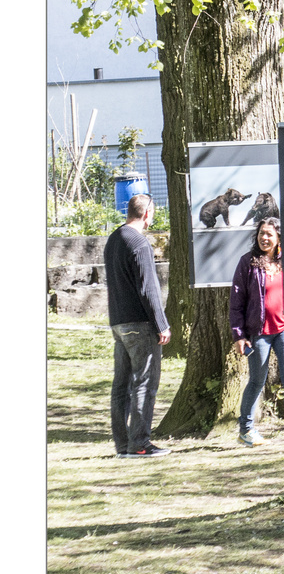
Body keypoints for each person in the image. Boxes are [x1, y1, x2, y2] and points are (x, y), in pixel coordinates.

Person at [105, 193, 171, 458]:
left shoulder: (114, 239)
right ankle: (140, 444)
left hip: (118, 323)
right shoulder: (140, 243)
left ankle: (122, 445)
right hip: (140, 324)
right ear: (147, 214)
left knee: (121, 386)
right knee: (145, 383)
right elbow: (149, 289)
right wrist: (161, 324)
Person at [228, 217, 284, 446]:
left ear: (279, 237)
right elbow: (236, 302)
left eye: (269, 234)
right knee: (257, 381)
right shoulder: (247, 263)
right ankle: (246, 430)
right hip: (259, 332)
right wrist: (238, 335)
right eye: (262, 233)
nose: (265, 238)